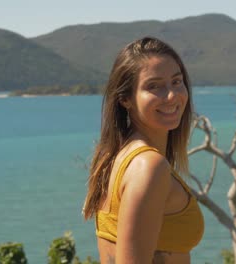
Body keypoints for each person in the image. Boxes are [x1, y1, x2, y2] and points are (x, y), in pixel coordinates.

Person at [82, 37, 204, 264]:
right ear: (125, 98)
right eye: (154, 86)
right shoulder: (149, 166)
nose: (171, 95)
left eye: (176, 82)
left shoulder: (116, 155)